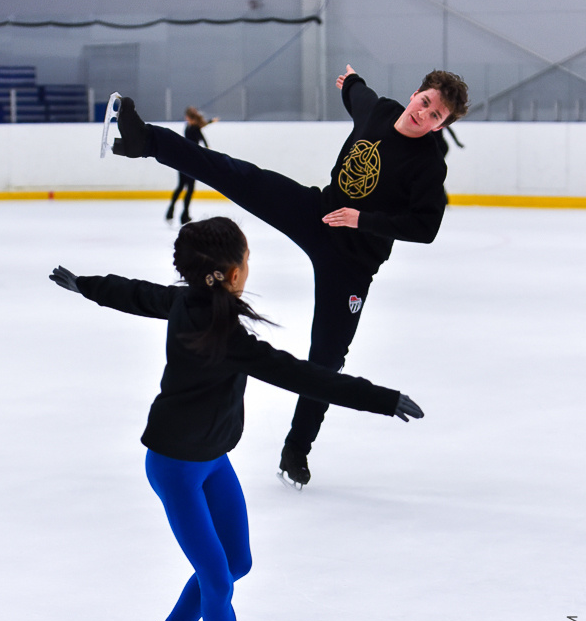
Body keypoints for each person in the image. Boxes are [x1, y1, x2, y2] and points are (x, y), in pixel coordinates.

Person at [49, 216, 424, 621]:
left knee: (237, 562)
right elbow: (307, 376)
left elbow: (138, 294)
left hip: (212, 460)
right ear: (231, 271)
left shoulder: (193, 305)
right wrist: (380, 400)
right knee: (219, 576)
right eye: (247, 257)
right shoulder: (226, 336)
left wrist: (86, 285)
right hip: (176, 467)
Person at [108, 64, 468, 487]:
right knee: (242, 177)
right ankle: (145, 139)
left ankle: (297, 448)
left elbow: (426, 228)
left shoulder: (429, 165)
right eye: (424, 103)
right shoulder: (380, 111)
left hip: (353, 261)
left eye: (435, 117)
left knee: (328, 359)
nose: (423, 115)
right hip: (319, 215)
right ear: (415, 94)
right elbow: (359, 95)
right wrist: (350, 81)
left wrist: (362, 220)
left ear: (441, 124)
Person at [165, 107, 218, 225]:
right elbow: (204, 141)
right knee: (189, 190)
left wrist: (210, 121)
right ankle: (184, 215)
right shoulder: (194, 128)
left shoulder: (188, 127)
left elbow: (200, 128)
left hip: (182, 161)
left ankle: (171, 211)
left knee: (180, 187)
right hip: (192, 162)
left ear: (188, 117)